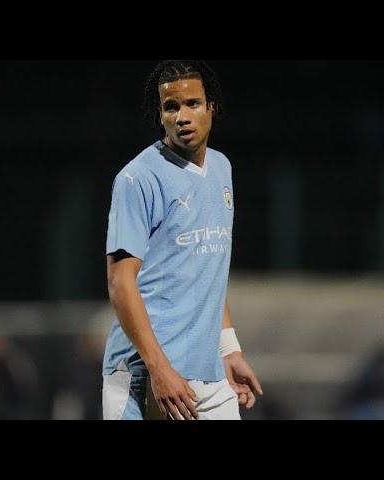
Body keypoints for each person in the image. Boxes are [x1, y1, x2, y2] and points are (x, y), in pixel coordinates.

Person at [102, 60, 263, 420]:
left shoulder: (221, 168)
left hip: (208, 375)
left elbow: (207, 270)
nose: (182, 117)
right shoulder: (137, 179)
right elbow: (120, 282)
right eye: (171, 107)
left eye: (192, 104)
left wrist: (229, 350)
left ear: (212, 108)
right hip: (145, 375)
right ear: (160, 115)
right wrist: (159, 369)